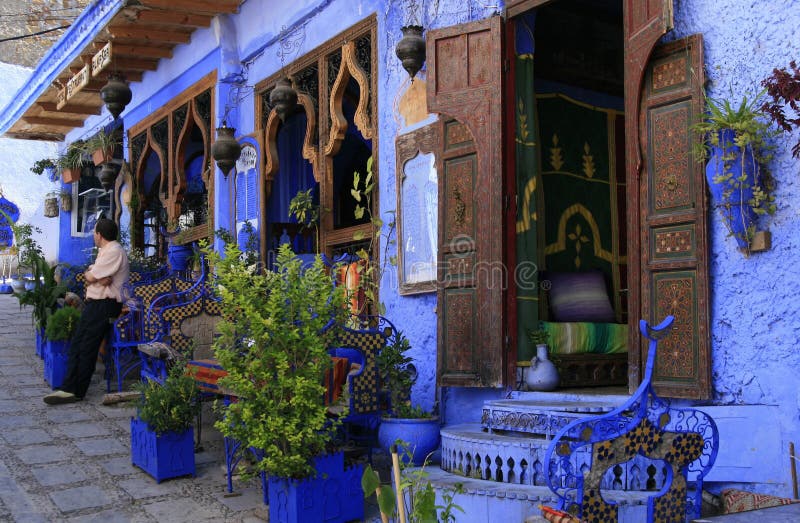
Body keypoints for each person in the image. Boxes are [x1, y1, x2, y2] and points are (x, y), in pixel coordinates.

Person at [44, 218, 129, 405]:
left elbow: (90, 276)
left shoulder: (114, 251)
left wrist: (94, 276)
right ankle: (69, 388)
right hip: (97, 304)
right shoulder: (106, 251)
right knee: (79, 343)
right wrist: (96, 276)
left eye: (94, 232)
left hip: (104, 304)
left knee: (86, 346)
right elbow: (90, 273)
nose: (93, 236)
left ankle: (75, 391)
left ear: (100, 234)